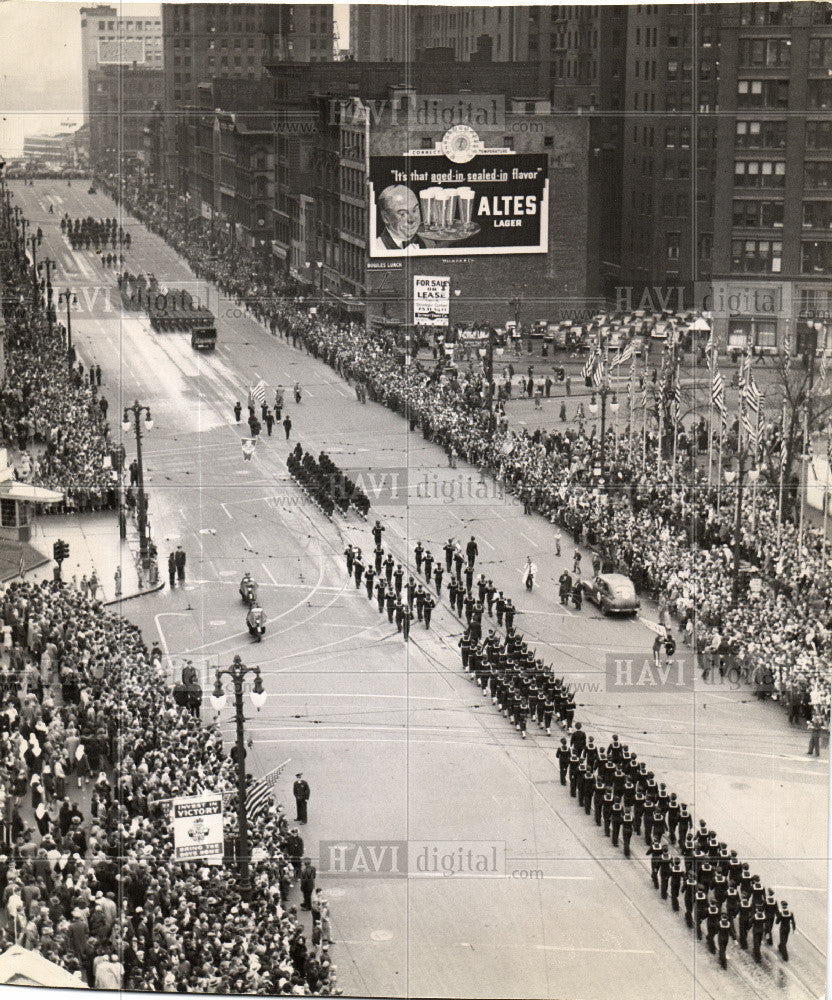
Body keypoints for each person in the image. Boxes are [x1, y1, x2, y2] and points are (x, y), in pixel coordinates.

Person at [372, 185, 426, 252]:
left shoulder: (429, 243)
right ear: (386, 218)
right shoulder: (377, 248)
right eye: (402, 214)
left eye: (414, 210)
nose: (411, 219)